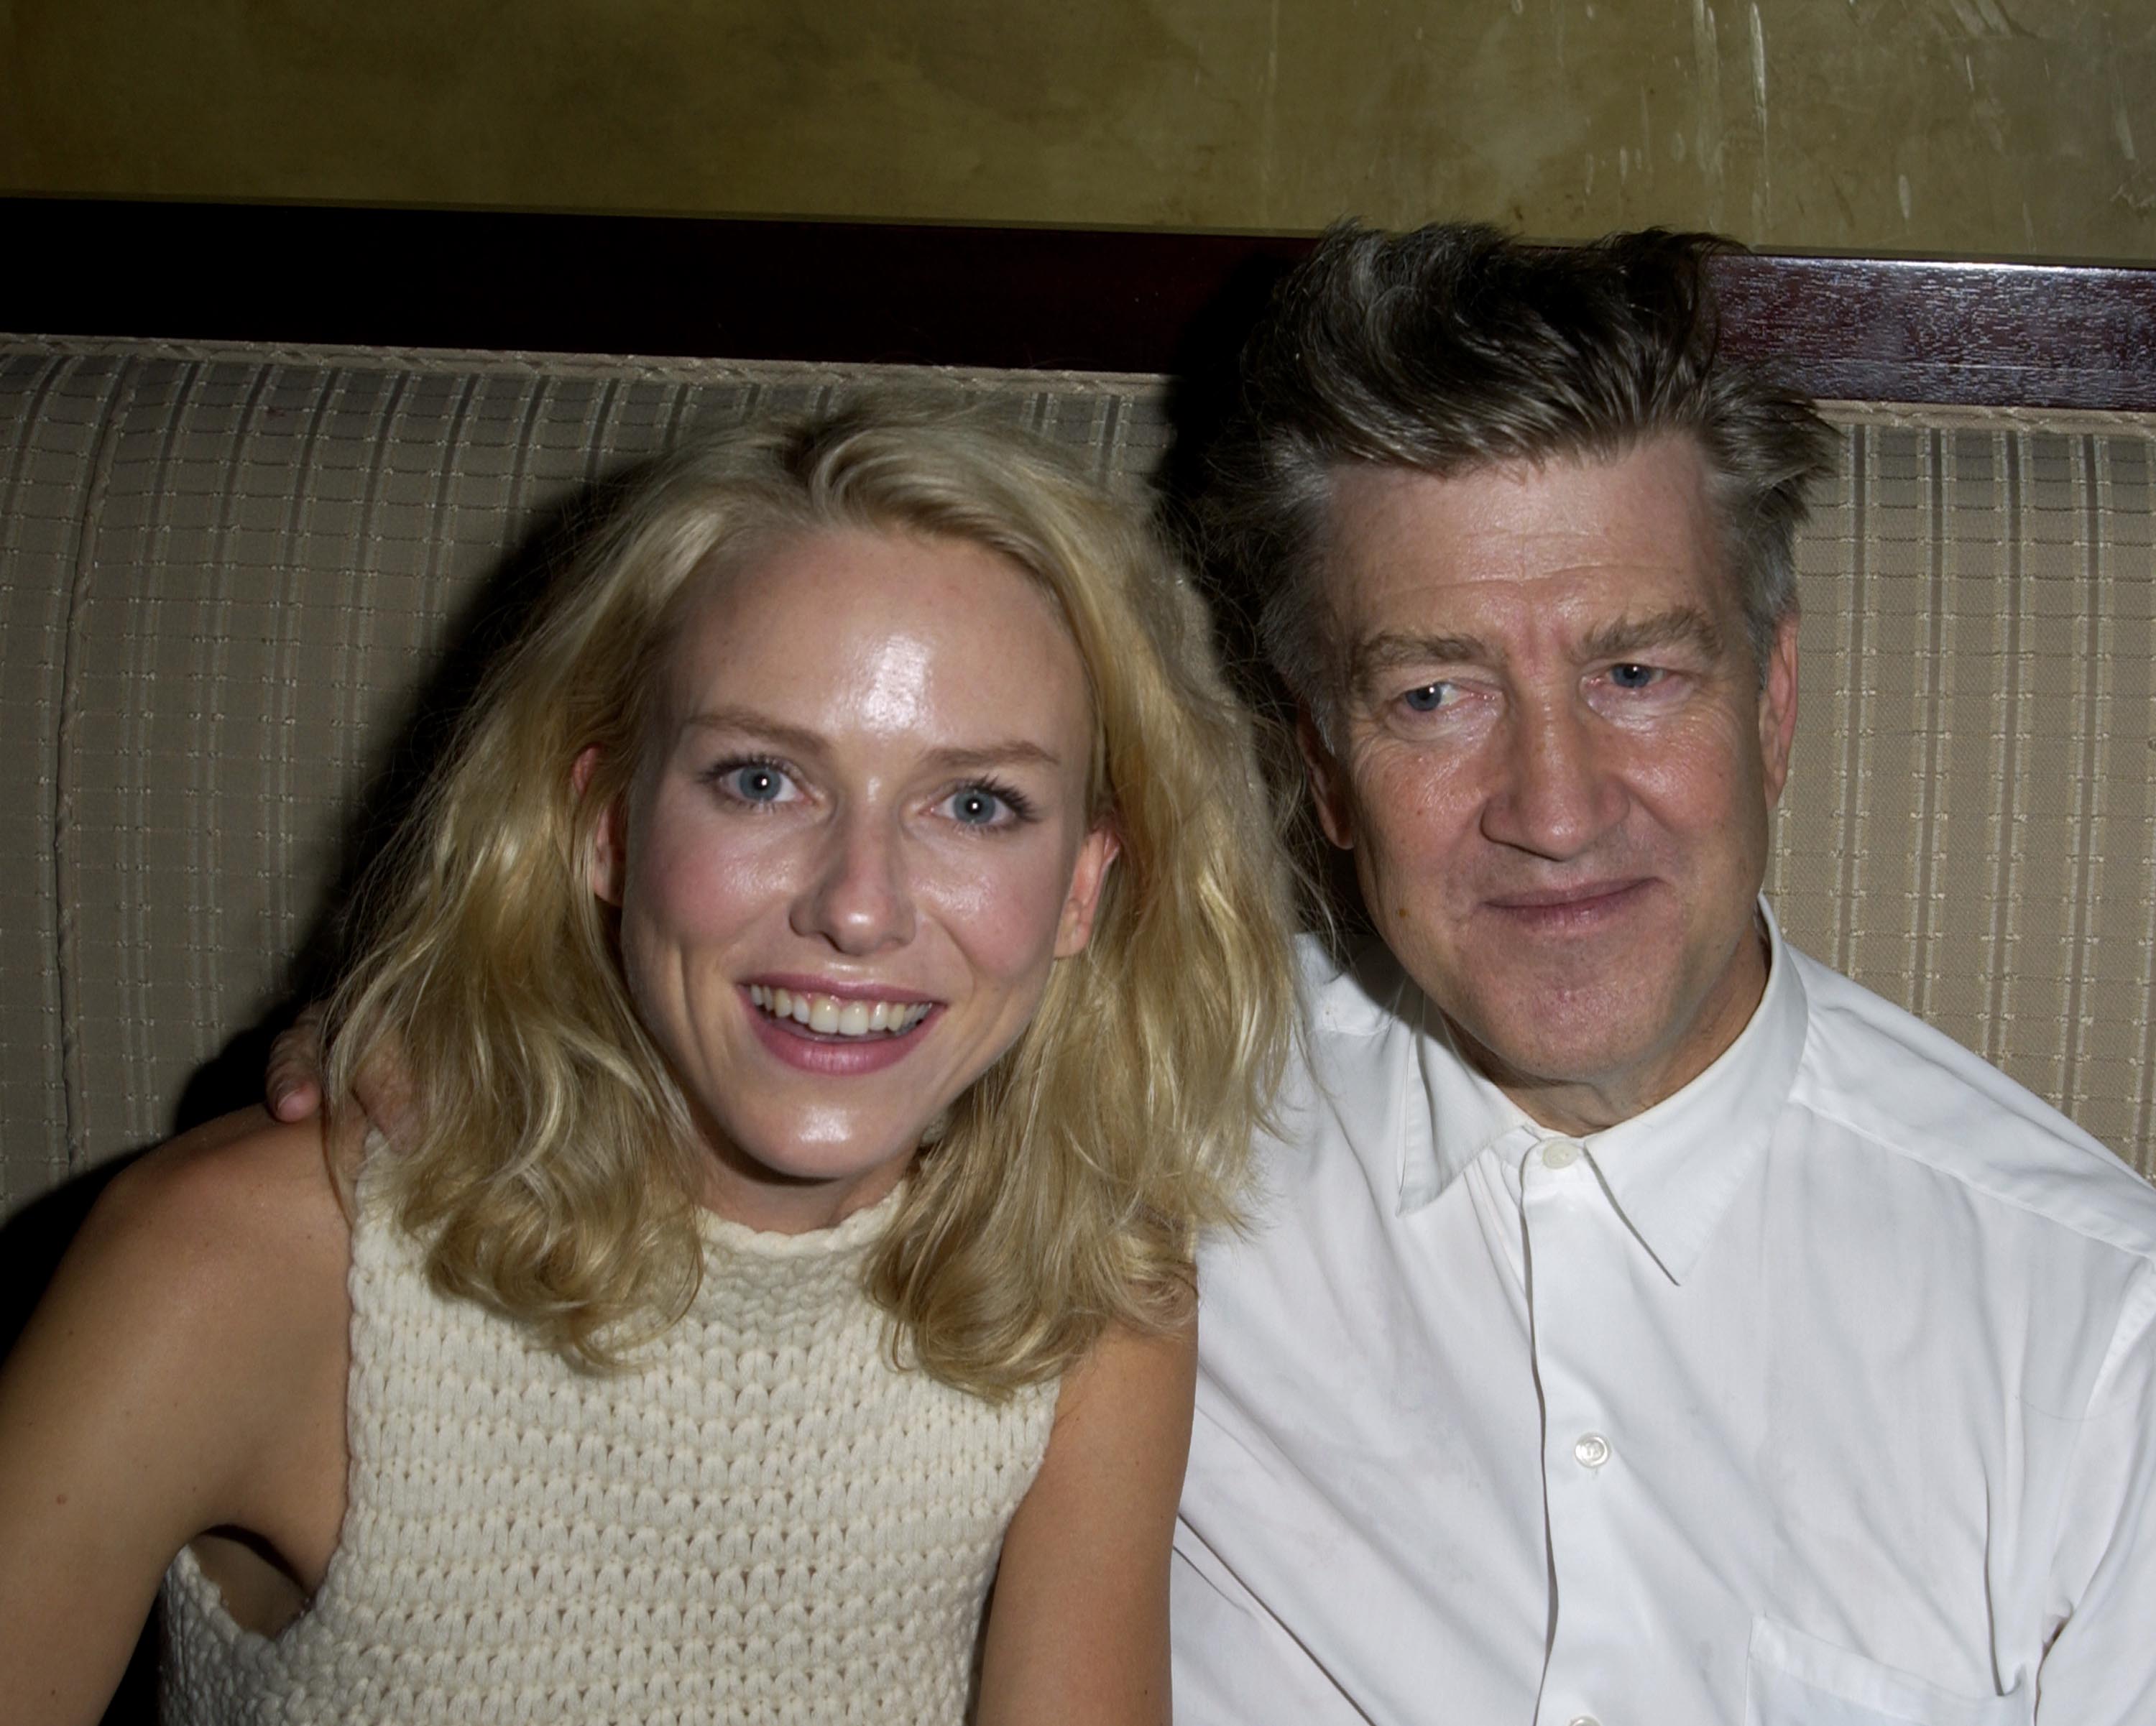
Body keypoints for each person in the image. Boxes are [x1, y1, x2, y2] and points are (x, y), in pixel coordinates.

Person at [0, 400, 1295, 1724]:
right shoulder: (250, 1259)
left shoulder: (1084, 1293)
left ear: (1083, 890)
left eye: (976, 805)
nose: (860, 905)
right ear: (604, 828)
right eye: (759, 780)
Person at [1168, 223, 2156, 1724]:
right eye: (1435, 693)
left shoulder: (2096, 1340)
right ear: (1321, 761)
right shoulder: (1142, 1144)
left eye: (1636, 675)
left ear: (1772, 704)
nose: (1554, 810)